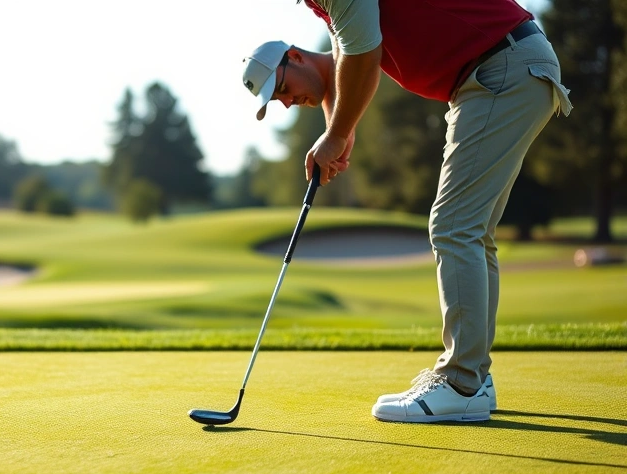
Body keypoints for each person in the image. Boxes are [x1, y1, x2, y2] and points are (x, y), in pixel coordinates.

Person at [241, 0, 572, 423]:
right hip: (500, 68)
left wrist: (339, 133)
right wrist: (337, 131)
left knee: (453, 226)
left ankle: (460, 382)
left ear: (295, 57)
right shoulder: (324, 6)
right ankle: (475, 378)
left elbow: (364, 55)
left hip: (499, 66)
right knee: (473, 231)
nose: (287, 103)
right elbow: (345, 53)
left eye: (283, 90)